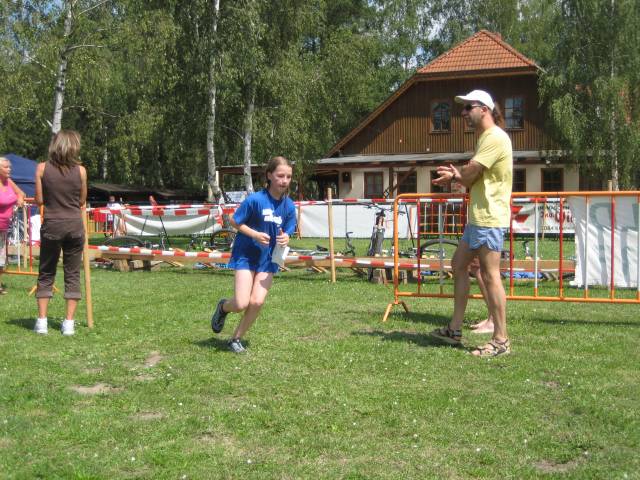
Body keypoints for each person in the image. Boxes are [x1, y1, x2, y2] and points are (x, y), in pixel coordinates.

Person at [430, 90, 512, 357]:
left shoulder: (494, 137)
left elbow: (469, 175)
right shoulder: (485, 138)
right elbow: (470, 177)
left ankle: (501, 340)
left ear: (484, 109)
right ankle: (455, 330)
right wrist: (459, 174)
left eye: (468, 108)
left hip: (489, 218)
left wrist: (457, 175)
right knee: (458, 265)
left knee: (490, 275)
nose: (463, 113)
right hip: (479, 218)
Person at [210, 156, 296, 353]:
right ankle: (223, 307)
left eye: (288, 177)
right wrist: (255, 235)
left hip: (269, 259)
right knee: (241, 303)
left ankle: (235, 338)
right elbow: (234, 221)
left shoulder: (289, 205)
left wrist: (287, 237)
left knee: (257, 301)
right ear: (269, 175)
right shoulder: (255, 200)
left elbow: (290, 227)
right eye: (280, 175)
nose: (284, 180)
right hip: (246, 256)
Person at [34, 130, 88, 336]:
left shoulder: (41, 168)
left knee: (46, 272)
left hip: (52, 225)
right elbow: (81, 200)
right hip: (74, 225)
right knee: (72, 273)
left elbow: (40, 200)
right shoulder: (81, 171)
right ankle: (69, 324)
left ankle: (42, 322)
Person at [0, 157, 26, 294]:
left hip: (4, 226)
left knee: (1, 258)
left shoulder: (8, 181)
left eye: (9, 166)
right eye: (6, 167)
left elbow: (21, 193)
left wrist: (20, 198)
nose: (9, 169)